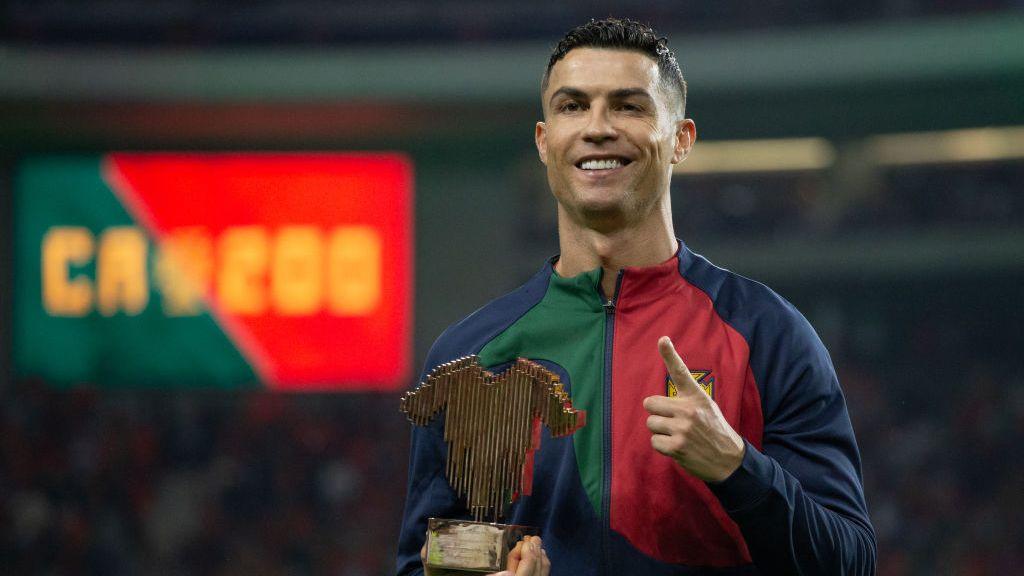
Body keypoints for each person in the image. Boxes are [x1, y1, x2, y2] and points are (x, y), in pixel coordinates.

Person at [397, 17, 876, 576]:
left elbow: (850, 562)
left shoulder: (768, 334)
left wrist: (737, 466)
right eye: (573, 106)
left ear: (681, 140)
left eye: (628, 106)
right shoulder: (472, 357)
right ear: (544, 141)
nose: (597, 128)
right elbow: (425, 562)